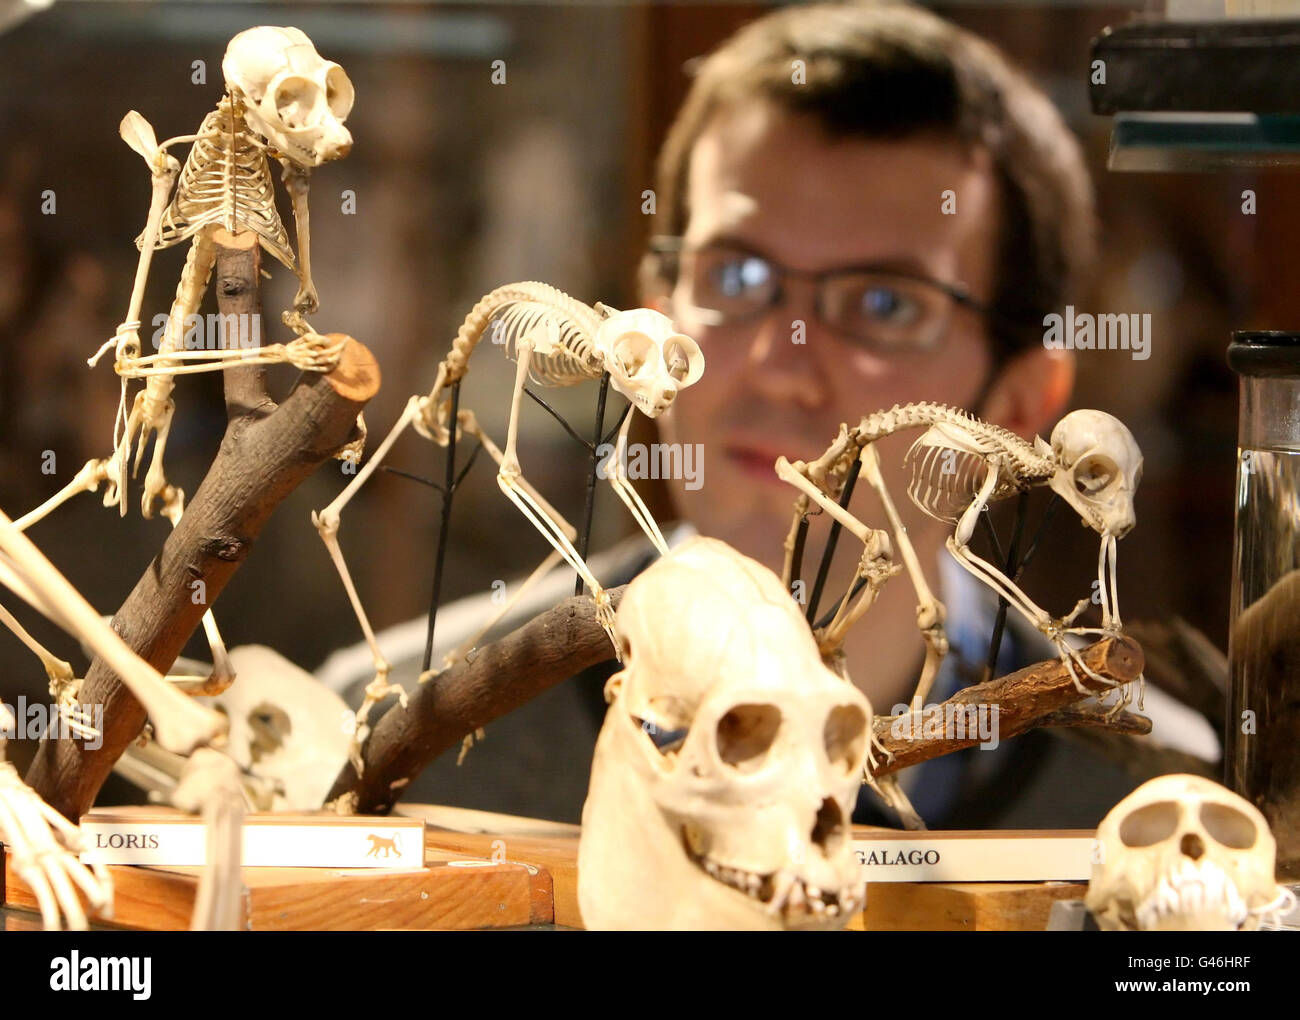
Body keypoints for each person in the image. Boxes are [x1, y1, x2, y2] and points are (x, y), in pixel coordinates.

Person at [323, 1, 1181, 827]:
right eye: (732, 279)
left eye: (887, 304)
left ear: (1025, 400)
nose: (780, 368)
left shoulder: (1169, 794)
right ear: (655, 306)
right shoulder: (373, 731)